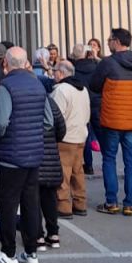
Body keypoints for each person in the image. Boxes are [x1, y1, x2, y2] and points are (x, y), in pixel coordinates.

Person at [0, 47, 45, 263]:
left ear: (6, 64)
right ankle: (30, 252)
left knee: (7, 203)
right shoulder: (37, 84)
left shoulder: (6, 86)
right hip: (33, 153)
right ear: (26, 62)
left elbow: (1, 122)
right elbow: (47, 120)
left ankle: (8, 252)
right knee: (30, 202)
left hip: (12, 154)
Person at [89, 28, 132, 216]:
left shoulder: (108, 63)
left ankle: (111, 202)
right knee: (131, 162)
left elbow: (94, 85)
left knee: (109, 159)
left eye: (109, 39)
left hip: (112, 119)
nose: (107, 42)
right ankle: (129, 204)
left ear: (117, 42)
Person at [51, 61, 90, 219]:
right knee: (77, 171)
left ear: (61, 73)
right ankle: (80, 203)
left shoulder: (61, 90)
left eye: (54, 71)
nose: (53, 74)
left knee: (63, 173)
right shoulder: (83, 89)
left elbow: (56, 115)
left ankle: (63, 206)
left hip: (65, 137)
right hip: (80, 134)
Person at [35, 83, 68, 253]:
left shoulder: (26, 102)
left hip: (33, 155)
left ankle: (38, 236)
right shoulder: (50, 102)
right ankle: (53, 234)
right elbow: (62, 128)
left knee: (33, 199)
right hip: (51, 157)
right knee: (50, 198)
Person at [69, 44, 101, 175]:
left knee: (85, 134)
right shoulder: (96, 67)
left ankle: (88, 164)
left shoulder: (73, 69)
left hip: (81, 103)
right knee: (101, 133)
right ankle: (108, 160)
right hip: (97, 102)